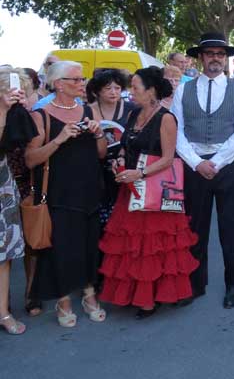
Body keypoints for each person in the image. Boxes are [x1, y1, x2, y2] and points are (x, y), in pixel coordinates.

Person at [99, 67, 198, 318]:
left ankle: (152, 297)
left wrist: (139, 174)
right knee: (133, 246)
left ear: (151, 90)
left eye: (135, 87)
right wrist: (119, 161)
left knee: (153, 247)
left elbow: (168, 159)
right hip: (131, 188)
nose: (130, 92)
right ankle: (136, 294)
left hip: (155, 190)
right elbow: (125, 146)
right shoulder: (133, 115)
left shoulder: (166, 118)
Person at [172, 32, 234, 309]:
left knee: (231, 229)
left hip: (227, 166)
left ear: (226, 59)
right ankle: (195, 283)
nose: (216, 59)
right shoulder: (183, 90)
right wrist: (196, 163)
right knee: (195, 228)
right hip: (194, 164)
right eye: (210, 54)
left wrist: (216, 162)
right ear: (201, 57)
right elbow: (177, 132)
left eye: (220, 54)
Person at [25, 61, 108, 327]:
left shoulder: (87, 110)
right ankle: (63, 300)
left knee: (88, 245)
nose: (82, 83)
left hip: (89, 191)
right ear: (59, 84)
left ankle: (89, 294)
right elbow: (30, 159)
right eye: (76, 79)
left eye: (82, 79)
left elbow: (102, 153)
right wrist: (59, 139)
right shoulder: (41, 115)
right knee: (62, 249)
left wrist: (98, 134)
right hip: (58, 194)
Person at [0, 69, 33, 335]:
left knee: (5, 257)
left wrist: (20, 109)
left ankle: (3, 313)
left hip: (5, 189)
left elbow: (24, 140)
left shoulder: (14, 112)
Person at [86, 69, 135, 229]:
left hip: (123, 165)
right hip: (96, 167)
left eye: (117, 88)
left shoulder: (131, 109)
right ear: (97, 91)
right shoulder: (88, 110)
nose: (114, 92)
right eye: (108, 88)